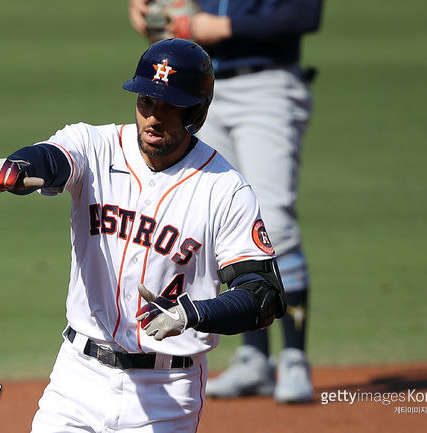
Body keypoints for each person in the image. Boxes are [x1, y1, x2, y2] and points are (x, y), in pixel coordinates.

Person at [0, 38, 288, 432]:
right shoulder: (95, 145)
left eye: (169, 106)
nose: (153, 117)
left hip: (168, 393)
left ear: (198, 112)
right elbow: (53, 158)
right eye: (146, 102)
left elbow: (263, 297)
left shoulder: (225, 190)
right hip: (77, 379)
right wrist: (20, 165)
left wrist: (193, 313)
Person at [128, 1, 323, 403]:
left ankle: (293, 358)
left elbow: (305, 15)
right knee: (216, 221)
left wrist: (222, 26)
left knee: (275, 220)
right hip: (198, 93)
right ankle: (253, 356)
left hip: (267, 84)